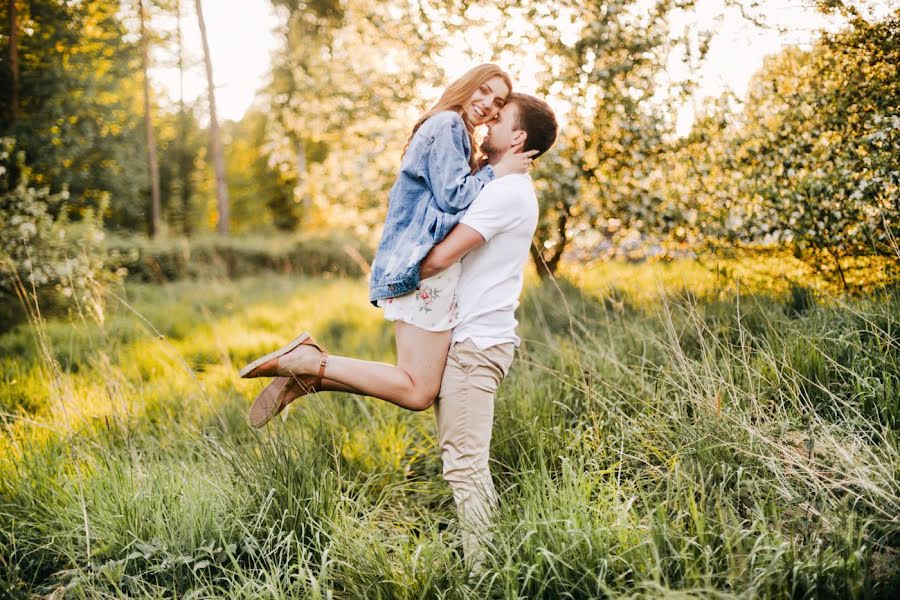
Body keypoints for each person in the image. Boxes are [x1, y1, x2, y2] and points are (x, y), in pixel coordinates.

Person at [238, 64, 536, 426]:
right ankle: (310, 362)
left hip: (417, 263)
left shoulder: (450, 128)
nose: (489, 105)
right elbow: (454, 197)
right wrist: (496, 172)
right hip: (426, 267)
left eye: (498, 101)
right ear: (467, 84)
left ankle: (310, 377)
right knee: (417, 391)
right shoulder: (449, 125)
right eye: (484, 90)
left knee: (418, 388)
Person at [418, 93, 558, 571]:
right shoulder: (501, 186)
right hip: (477, 338)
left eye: (501, 118)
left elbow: (439, 257)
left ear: (518, 138)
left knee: (466, 467)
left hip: (476, 344)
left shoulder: (507, 190)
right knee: (464, 463)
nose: (489, 122)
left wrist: (404, 254)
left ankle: (487, 575)